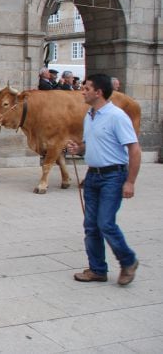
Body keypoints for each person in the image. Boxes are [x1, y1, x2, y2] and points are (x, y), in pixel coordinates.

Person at [66, 73, 140, 286]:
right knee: (91, 225)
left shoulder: (117, 116)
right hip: (93, 176)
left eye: (86, 88)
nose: (82, 91)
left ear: (98, 92)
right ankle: (97, 269)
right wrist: (78, 148)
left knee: (105, 223)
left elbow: (134, 149)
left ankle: (128, 261)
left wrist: (130, 181)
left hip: (113, 176)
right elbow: (89, 145)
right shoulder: (89, 115)